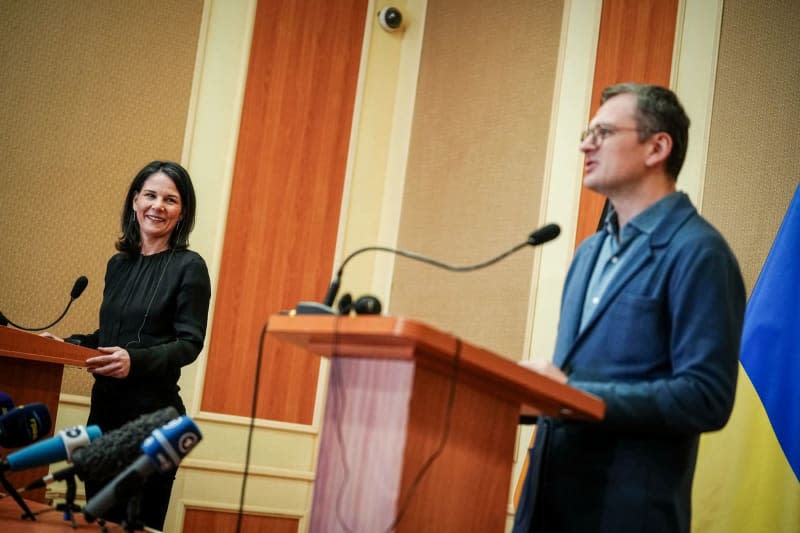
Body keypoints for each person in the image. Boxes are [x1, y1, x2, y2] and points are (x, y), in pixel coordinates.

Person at [512, 84, 745, 533]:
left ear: (657, 147)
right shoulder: (588, 252)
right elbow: (574, 376)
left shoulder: (699, 252)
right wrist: (529, 395)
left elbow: (706, 398)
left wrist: (572, 395)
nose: (585, 144)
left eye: (602, 132)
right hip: (545, 507)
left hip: (621, 514)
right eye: (586, 132)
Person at [43, 160, 211, 530]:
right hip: (103, 418)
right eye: (150, 195)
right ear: (135, 201)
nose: (158, 206)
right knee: (98, 524)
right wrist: (66, 345)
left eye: (171, 199)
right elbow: (110, 337)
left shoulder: (189, 266)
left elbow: (189, 343)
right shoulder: (118, 265)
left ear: (182, 212)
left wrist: (134, 361)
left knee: (135, 526)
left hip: (152, 421)